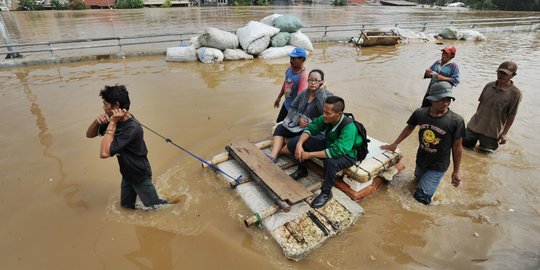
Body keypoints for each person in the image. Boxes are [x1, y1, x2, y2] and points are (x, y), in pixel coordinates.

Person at [381, 81, 465, 205]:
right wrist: (395, 144)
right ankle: (430, 185)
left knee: (420, 198)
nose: (445, 103)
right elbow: (409, 127)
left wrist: (456, 171)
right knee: (417, 179)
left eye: (448, 99)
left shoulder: (456, 121)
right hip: (422, 158)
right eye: (441, 100)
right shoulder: (420, 113)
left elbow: (457, 147)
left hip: (438, 164)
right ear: (431, 100)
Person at [86, 85, 168, 210]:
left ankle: (174, 204)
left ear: (116, 106)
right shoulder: (112, 119)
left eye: (105, 104)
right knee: (126, 207)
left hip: (139, 175)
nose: (103, 107)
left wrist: (112, 123)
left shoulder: (131, 128)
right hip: (127, 174)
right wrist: (96, 122)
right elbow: (89, 135)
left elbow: (104, 153)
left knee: (156, 208)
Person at [286, 96, 363, 208]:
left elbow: (336, 151)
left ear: (339, 114)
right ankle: (302, 169)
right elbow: (312, 127)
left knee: (330, 162)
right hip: (329, 144)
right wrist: (299, 144)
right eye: (324, 112)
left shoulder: (349, 128)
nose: (324, 115)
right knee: (295, 142)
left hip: (347, 154)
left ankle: (326, 193)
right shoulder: (327, 118)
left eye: (328, 113)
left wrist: (310, 154)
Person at [267, 69, 333, 163]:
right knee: (280, 128)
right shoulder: (304, 93)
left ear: (322, 82)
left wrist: (321, 91)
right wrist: (298, 119)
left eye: (316, 80)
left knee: (295, 142)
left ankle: (280, 152)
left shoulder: (328, 96)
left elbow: (325, 111)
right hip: (299, 126)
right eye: (310, 80)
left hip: (313, 130)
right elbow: (292, 108)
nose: (313, 83)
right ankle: (273, 156)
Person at [462, 61, 521, 153]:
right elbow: (480, 104)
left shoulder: (515, 93)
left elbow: (512, 115)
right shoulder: (489, 85)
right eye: (500, 72)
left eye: (505, 74)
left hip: (492, 132)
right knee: (463, 148)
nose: (501, 75)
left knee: (484, 158)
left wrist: (504, 133)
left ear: (513, 75)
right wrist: (476, 118)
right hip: (473, 127)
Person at [274, 47, 309, 123]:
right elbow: (285, 84)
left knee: (287, 129)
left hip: (294, 109)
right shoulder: (289, 68)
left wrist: (298, 117)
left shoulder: (303, 76)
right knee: (278, 123)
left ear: (302, 59)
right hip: (287, 103)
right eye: (290, 58)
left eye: (293, 59)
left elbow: (300, 99)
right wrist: (279, 97)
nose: (290, 61)